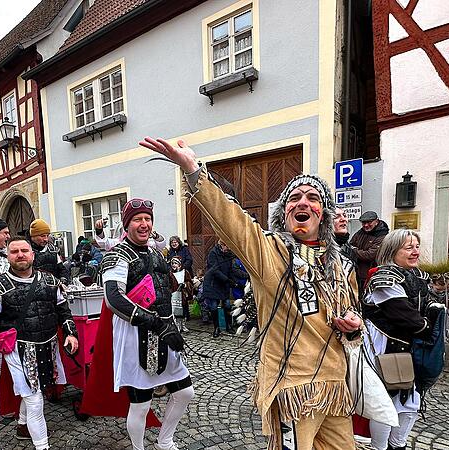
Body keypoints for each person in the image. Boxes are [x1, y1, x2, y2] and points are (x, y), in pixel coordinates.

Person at [139, 137, 361, 450]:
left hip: (336, 383)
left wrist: (353, 327)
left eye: (312, 198)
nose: (302, 203)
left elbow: (352, 316)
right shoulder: (271, 252)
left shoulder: (342, 264)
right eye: (294, 198)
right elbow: (235, 223)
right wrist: (192, 170)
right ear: (283, 213)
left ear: (322, 214)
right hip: (294, 384)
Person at [82, 198, 194, 450]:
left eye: (147, 219)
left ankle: (165, 441)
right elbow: (113, 298)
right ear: (127, 224)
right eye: (137, 220)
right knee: (141, 403)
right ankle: (138, 447)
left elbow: (163, 285)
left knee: (185, 392)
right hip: (134, 334)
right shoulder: (116, 255)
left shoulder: (155, 252)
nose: (144, 224)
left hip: (164, 327)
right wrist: (154, 323)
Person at [0, 238, 79, 450]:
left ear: (32, 254)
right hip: (18, 350)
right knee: (35, 400)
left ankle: (22, 425)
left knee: (35, 392)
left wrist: (70, 333)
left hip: (48, 344)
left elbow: (62, 310)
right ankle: (42, 446)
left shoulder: (50, 280)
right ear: (7, 256)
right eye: (14, 251)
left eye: (24, 250)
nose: (20, 255)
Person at [363, 229, 443, 450]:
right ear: (392, 251)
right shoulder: (384, 277)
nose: (415, 251)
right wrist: (428, 328)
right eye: (408, 247)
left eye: (416, 246)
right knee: (386, 400)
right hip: (386, 347)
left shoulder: (418, 276)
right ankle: (379, 447)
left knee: (410, 400)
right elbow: (405, 315)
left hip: (410, 347)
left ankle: (397, 445)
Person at [200, 240, 238, 337]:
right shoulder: (213, 253)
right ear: (222, 245)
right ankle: (216, 328)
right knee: (213, 306)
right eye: (227, 247)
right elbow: (214, 270)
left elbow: (231, 270)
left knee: (227, 304)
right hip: (213, 283)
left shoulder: (228, 254)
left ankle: (229, 326)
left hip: (223, 283)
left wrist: (234, 281)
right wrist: (227, 280)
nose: (229, 249)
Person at [349, 211, 389, 289]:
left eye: (369, 222)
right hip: (357, 272)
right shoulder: (361, 232)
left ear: (376, 221)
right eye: (363, 223)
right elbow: (350, 244)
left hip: (372, 275)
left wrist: (354, 250)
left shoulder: (382, 236)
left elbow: (369, 255)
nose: (366, 225)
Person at [28, 219, 69, 284]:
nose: (46, 239)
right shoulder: (26, 250)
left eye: (47, 235)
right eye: (42, 236)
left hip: (53, 288)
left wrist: (64, 279)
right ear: (33, 236)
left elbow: (62, 269)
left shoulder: (52, 249)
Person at [169, 256, 194, 333]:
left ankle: (183, 325)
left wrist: (185, 285)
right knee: (175, 311)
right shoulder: (170, 273)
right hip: (174, 295)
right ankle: (177, 325)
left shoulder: (185, 272)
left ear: (180, 265)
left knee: (183, 311)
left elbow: (190, 282)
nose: (173, 265)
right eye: (172, 263)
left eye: (175, 263)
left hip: (183, 295)